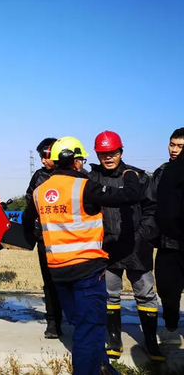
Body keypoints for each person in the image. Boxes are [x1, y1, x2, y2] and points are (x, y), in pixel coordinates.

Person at [24, 136, 144, 375]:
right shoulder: (84, 187)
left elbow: (28, 223)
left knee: (83, 325)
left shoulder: (40, 191)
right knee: (89, 328)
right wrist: (130, 176)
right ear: (76, 161)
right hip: (87, 272)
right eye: (81, 159)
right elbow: (129, 195)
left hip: (58, 272)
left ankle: (102, 366)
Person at [88, 131, 163, 361]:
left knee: (146, 294)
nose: (108, 158)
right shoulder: (92, 180)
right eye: (103, 154)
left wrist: (142, 235)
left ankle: (151, 342)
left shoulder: (138, 177)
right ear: (98, 155)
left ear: (120, 152)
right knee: (110, 295)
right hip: (106, 247)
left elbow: (152, 209)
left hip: (136, 246)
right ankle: (114, 338)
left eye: (112, 153)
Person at [25, 137, 63, 339]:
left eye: (45, 156)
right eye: (40, 157)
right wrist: (35, 228)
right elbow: (29, 200)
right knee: (49, 282)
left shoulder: (75, 174)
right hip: (46, 240)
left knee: (71, 282)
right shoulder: (39, 177)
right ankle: (53, 323)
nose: (42, 161)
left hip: (70, 240)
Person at [153, 127, 184, 345]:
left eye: (180, 146)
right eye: (172, 144)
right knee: (167, 287)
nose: (174, 150)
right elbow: (151, 204)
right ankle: (171, 328)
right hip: (168, 242)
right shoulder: (162, 171)